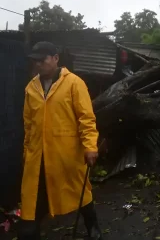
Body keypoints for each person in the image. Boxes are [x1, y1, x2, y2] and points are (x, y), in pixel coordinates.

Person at [19, 41, 102, 240]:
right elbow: (28, 123)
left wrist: (90, 146)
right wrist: (26, 151)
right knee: (34, 197)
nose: (38, 64)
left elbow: (86, 118)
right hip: (37, 154)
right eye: (35, 61)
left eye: (42, 59)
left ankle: (92, 224)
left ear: (56, 58)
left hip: (66, 152)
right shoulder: (31, 88)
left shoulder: (74, 83)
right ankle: (31, 232)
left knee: (79, 189)